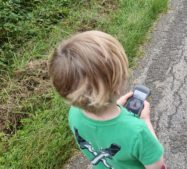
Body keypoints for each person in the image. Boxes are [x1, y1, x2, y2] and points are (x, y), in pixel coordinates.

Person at [48, 31, 166, 169]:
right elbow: (157, 165)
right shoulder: (138, 131)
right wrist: (145, 120)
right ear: (117, 86)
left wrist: (114, 105)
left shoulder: (74, 113)